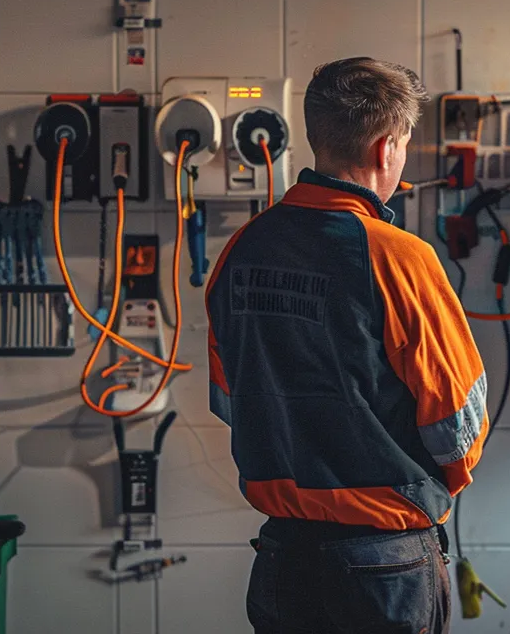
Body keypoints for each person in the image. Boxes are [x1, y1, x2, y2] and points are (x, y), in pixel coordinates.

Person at [204, 57, 488, 633]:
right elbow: (458, 428)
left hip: (284, 558)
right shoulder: (399, 258)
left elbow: (228, 400)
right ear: (386, 148)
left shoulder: (242, 249)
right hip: (384, 564)